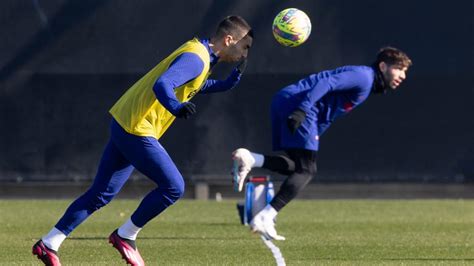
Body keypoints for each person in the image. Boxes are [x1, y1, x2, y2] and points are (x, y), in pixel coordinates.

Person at [32, 15, 253, 266]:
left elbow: (194, 84)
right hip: (136, 128)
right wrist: (175, 107)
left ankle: (48, 243)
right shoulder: (197, 58)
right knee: (174, 187)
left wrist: (225, 84)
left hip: (124, 122)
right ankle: (125, 236)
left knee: (101, 194)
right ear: (229, 39)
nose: (245, 53)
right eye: (245, 47)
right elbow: (164, 85)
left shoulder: (201, 53)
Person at [232, 47, 411, 241]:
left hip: (290, 103)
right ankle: (265, 217)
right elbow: (328, 82)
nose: (402, 76)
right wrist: (302, 109)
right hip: (298, 104)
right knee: (307, 170)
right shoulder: (364, 77)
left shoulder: (367, 84)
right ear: (383, 66)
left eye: (404, 71)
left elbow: (329, 109)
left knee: (296, 167)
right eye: (399, 69)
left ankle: (252, 159)